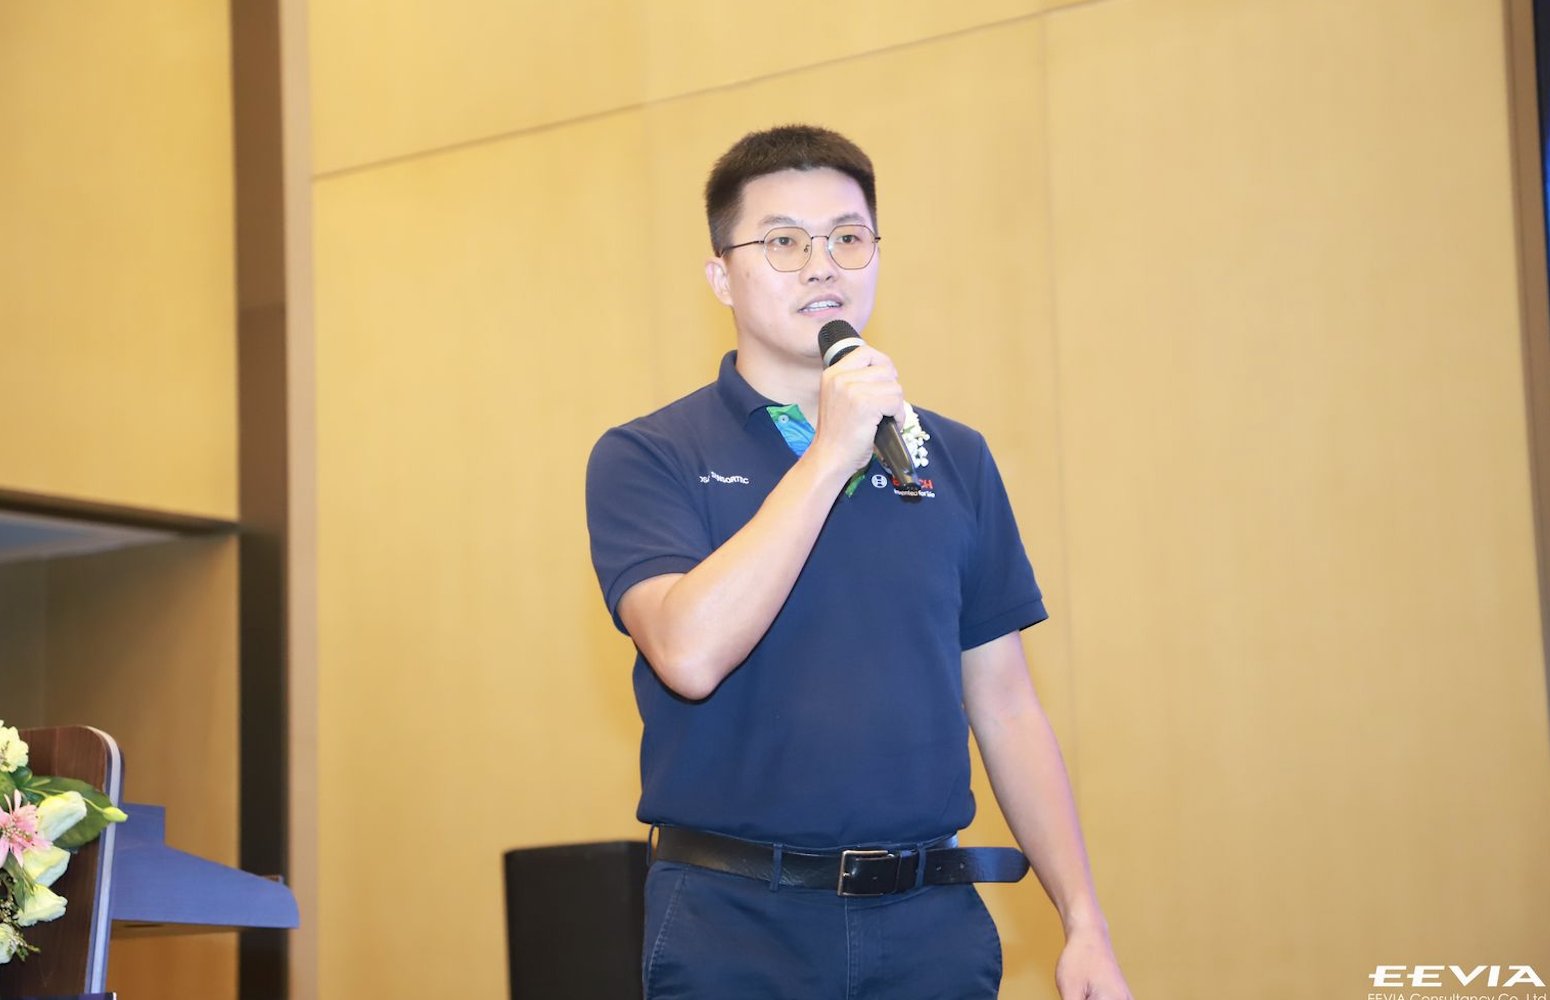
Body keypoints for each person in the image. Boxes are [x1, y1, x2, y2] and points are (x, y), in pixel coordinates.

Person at [586, 123, 1133, 999]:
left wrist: (1084, 922)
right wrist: (830, 453)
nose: (822, 267)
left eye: (847, 238)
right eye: (783, 243)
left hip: (931, 927)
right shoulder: (650, 455)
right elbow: (688, 653)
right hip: (735, 925)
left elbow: (1005, 703)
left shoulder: (954, 458)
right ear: (721, 276)